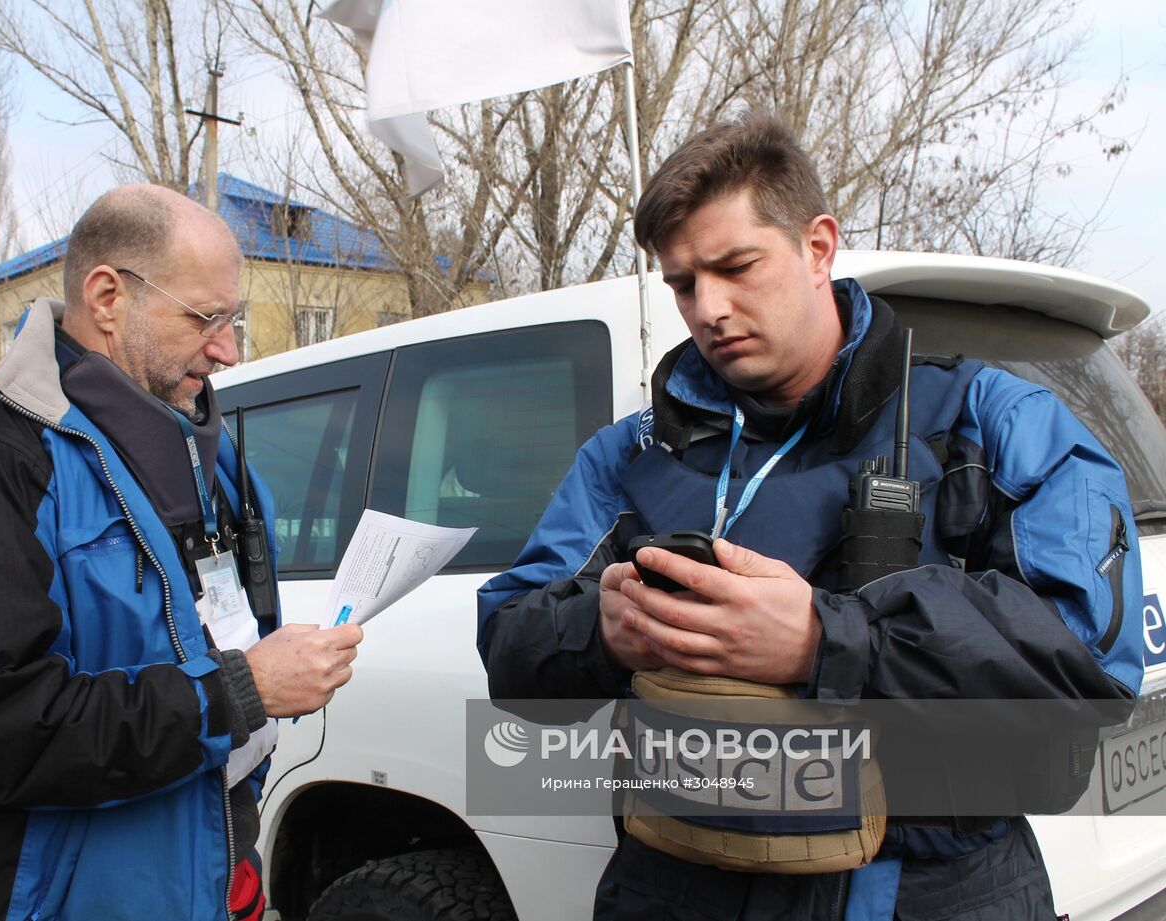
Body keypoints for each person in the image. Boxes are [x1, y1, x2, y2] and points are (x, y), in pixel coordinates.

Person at [477, 111, 1145, 920]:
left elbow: (1087, 667)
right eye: (684, 283)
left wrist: (827, 641)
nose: (709, 307)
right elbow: (509, 644)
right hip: (675, 886)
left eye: (735, 266)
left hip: (924, 893)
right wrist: (602, 634)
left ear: (818, 246)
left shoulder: (990, 421)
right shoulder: (629, 455)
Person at [0, 184, 364, 921]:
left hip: (210, 882)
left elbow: (226, 634)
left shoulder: (212, 455)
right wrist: (239, 691)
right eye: (207, 317)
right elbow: (2, 731)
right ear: (107, 296)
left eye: (233, 321)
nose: (228, 349)